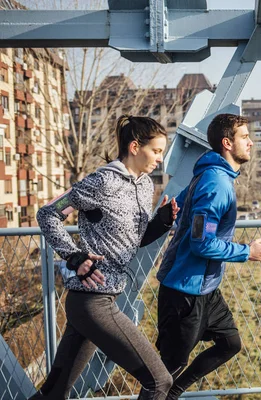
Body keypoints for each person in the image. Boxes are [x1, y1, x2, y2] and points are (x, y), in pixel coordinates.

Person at [31, 115, 179, 400]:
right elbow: (48, 214)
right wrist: (74, 256)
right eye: (157, 151)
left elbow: (136, 240)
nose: (160, 159)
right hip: (92, 301)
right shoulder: (102, 181)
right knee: (160, 382)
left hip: (98, 299)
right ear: (135, 147)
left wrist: (160, 222)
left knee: (53, 393)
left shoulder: (145, 185)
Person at [154, 113, 261, 399]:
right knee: (166, 370)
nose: (251, 143)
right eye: (245, 137)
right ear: (227, 143)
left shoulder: (213, 177)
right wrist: (247, 252)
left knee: (230, 343)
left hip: (205, 289)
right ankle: (166, 392)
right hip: (184, 292)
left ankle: (175, 392)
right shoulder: (215, 183)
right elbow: (201, 243)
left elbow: (181, 209)